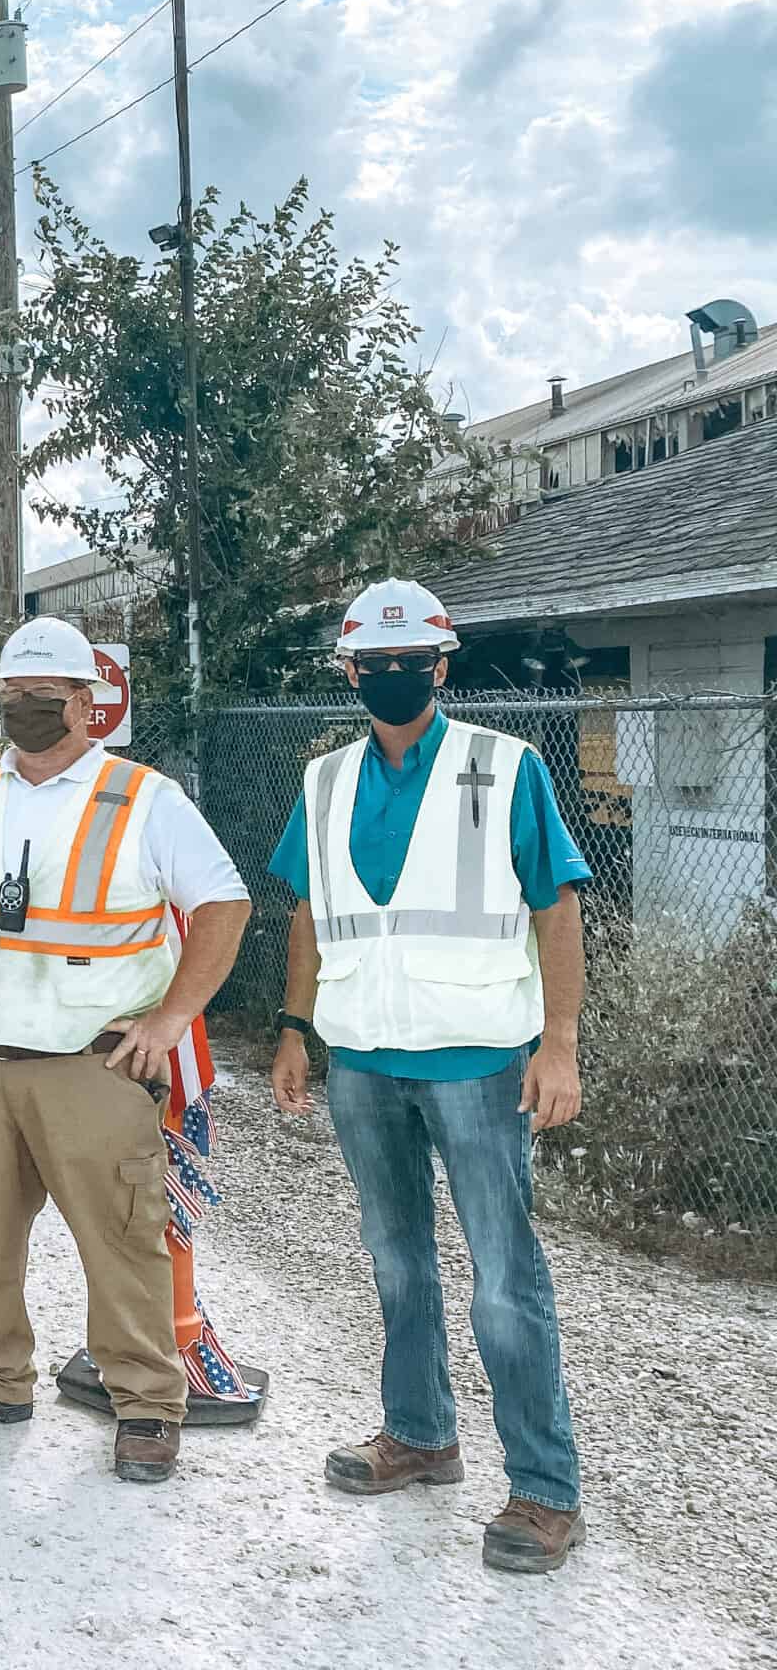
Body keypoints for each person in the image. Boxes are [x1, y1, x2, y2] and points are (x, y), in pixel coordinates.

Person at [269, 578, 591, 1575]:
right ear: (350, 671)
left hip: (480, 1062)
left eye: (413, 664)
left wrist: (560, 1042)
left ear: (441, 667)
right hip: (363, 1059)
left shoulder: (505, 769)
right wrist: (292, 1028)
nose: (395, 678)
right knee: (396, 1260)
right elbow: (309, 913)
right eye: (377, 665)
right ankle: (419, 1435)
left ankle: (543, 1489)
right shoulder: (323, 781)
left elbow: (557, 907)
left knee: (504, 1278)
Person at [0, 616, 248, 1483]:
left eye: (44, 697)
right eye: (12, 697)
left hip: (92, 1065)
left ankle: (144, 1404)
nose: (25, 710)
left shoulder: (145, 800)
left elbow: (224, 905)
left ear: (87, 704)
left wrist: (169, 1023)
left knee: (122, 1239)